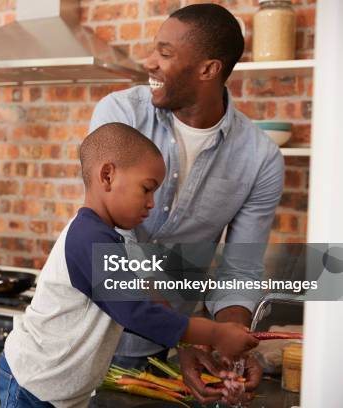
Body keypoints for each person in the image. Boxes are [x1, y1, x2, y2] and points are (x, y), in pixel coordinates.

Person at [89, 3, 284, 405]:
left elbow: (241, 268)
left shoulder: (260, 158)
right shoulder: (121, 115)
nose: (149, 62)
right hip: (92, 336)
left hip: (176, 348)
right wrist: (184, 333)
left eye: (164, 53)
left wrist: (231, 344)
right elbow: (111, 241)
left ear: (208, 69)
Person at [0, 122, 259, 407]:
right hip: (31, 386)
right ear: (107, 176)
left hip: (59, 392)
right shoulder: (89, 239)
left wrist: (186, 342)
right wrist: (217, 333)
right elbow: (135, 312)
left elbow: (136, 303)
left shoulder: (106, 239)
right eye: (146, 189)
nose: (151, 203)